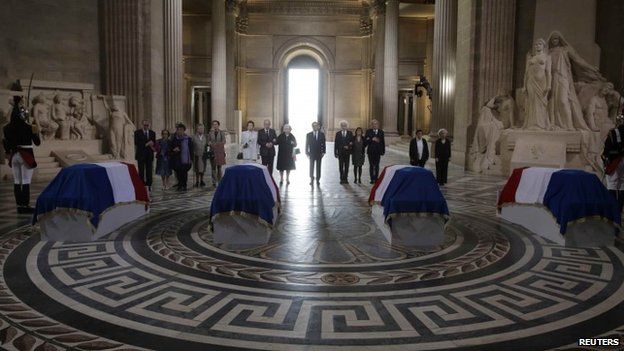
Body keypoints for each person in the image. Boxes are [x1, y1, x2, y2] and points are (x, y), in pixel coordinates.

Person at [3, 95, 41, 213]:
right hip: (26, 155)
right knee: (25, 181)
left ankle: (19, 206)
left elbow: (5, 142)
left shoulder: (7, 128)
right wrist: (35, 130)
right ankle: (25, 205)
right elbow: (37, 143)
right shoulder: (30, 127)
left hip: (14, 156)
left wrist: (9, 152)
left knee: (17, 181)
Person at [522, 38, 551, 130]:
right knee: (531, 102)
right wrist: (524, 85)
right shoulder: (531, 58)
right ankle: (531, 124)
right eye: (536, 44)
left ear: (543, 46)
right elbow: (526, 73)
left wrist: (549, 85)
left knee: (541, 103)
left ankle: (541, 124)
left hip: (542, 82)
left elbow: (548, 72)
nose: (537, 46)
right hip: (531, 82)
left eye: (539, 44)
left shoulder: (547, 57)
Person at [603, 115, 624, 212]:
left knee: (612, 184)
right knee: (622, 185)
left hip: (615, 161)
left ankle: (613, 211)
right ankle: (619, 209)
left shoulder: (613, 133)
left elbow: (607, 149)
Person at [134, 119, 156, 190]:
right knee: (141, 170)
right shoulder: (137, 132)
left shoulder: (152, 133)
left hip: (149, 154)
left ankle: (149, 184)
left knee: (149, 170)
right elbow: (136, 142)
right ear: (142, 125)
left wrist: (153, 145)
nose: (146, 126)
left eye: (147, 125)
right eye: (145, 125)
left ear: (149, 125)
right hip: (141, 154)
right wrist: (146, 144)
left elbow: (154, 143)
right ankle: (141, 184)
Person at [170, 123, 193, 191]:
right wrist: (174, 150)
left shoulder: (188, 139)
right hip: (176, 158)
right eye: (178, 130)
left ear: (184, 130)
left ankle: (184, 185)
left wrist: (191, 159)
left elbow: (191, 149)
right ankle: (180, 185)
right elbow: (170, 148)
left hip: (185, 159)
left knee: (184, 173)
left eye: (181, 130)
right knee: (178, 173)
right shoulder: (174, 139)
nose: (180, 131)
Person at [364, 119, 385, 184]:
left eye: (376, 124)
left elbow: (382, 142)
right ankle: (372, 179)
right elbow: (365, 141)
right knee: (371, 165)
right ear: (371, 125)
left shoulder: (381, 132)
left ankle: (376, 178)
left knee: (377, 165)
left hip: (378, 151)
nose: (374, 125)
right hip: (370, 151)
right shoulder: (368, 131)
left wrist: (383, 151)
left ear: (378, 125)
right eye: (373, 124)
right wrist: (372, 139)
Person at [305, 121, 326, 185]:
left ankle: (318, 179)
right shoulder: (309, 134)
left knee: (318, 166)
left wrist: (323, 152)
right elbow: (307, 144)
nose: (315, 127)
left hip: (319, 153)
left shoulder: (322, 134)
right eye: (313, 126)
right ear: (312, 127)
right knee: (311, 166)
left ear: (319, 127)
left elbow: (324, 144)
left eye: (316, 126)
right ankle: (311, 178)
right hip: (311, 153)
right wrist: (306, 152)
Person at [208, 120, 226, 186]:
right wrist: (210, 143)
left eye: (216, 124)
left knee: (219, 167)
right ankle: (214, 181)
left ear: (218, 125)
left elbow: (224, 141)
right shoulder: (210, 133)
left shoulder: (221, 132)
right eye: (213, 124)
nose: (215, 125)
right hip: (212, 151)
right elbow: (208, 141)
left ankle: (220, 180)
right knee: (213, 167)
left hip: (220, 152)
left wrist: (217, 144)